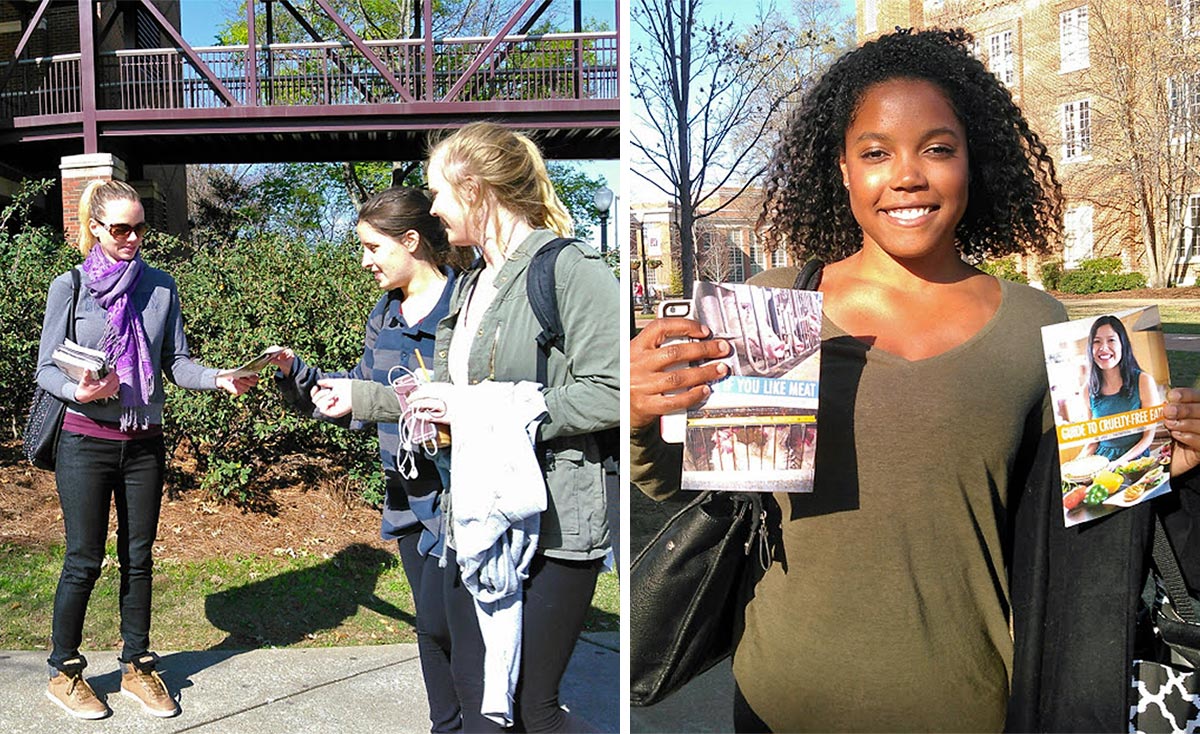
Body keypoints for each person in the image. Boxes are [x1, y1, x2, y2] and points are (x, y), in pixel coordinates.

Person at [629, 28, 1200, 732]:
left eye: (937, 148)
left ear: (970, 162)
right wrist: (639, 414)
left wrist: (1159, 461)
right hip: (781, 701)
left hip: (971, 706)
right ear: (842, 168)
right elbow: (687, 483)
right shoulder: (774, 308)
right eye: (875, 152)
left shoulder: (1041, 325)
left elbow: (1090, 524)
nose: (906, 175)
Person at [312, 122, 619, 732]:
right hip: (473, 516)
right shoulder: (475, 281)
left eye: (438, 193)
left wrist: (484, 412)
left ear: (474, 189)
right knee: (481, 711)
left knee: (532, 711)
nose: (432, 208)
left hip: (552, 523)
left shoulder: (569, 269)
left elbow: (611, 390)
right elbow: (446, 397)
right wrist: (365, 397)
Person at [36, 179, 256, 720]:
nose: (133, 237)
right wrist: (78, 391)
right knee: (84, 560)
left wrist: (219, 378)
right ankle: (64, 672)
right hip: (85, 440)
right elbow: (45, 369)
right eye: (120, 229)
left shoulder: (161, 287)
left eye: (139, 227)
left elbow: (176, 363)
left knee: (139, 560)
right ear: (95, 228)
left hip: (143, 445)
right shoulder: (69, 287)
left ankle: (138, 664)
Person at [268, 186, 466, 732]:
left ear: (411, 241)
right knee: (430, 624)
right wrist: (298, 376)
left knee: (456, 625)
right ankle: (446, 724)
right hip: (406, 493)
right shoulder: (385, 312)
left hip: (460, 493)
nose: (364, 261)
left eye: (373, 248)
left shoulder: (466, 307)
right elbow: (365, 394)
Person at [1075, 314, 1163, 465]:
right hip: (1100, 463)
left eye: (1111, 340)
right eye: (1096, 342)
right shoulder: (1087, 390)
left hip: (1135, 463)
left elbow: (1148, 437)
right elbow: (1093, 442)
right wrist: (1073, 466)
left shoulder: (1143, 381)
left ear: (1123, 344)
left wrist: (1118, 463)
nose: (1103, 348)